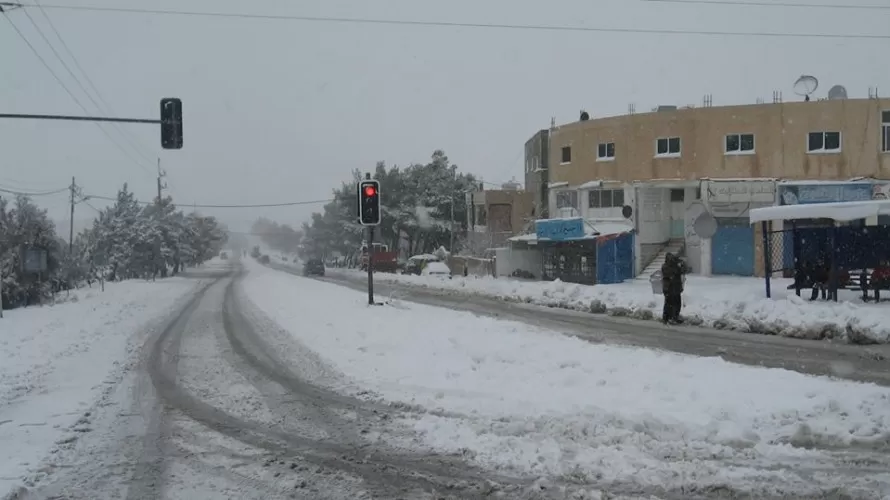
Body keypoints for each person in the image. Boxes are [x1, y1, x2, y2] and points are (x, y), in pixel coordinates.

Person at [661, 253, 684, 324]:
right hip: (669, 288)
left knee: (677, 304)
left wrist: (681, 264)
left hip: (676, 288)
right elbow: (671, 273)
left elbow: (683, 271)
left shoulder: (676, 265)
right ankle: (667, 318)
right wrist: (677, 266)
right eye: (671, 259)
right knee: (669, 304)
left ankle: (675, 317)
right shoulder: (665, 266)